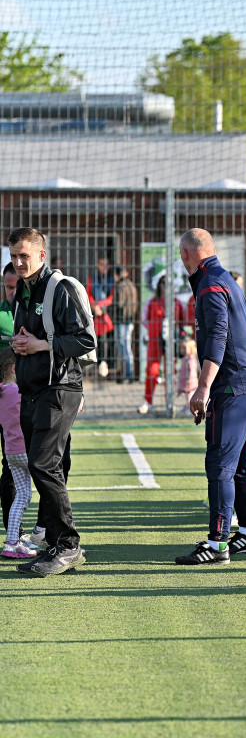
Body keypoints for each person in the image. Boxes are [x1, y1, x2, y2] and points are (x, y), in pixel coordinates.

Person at [174, 228, 246, 565]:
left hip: (232, 387)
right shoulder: (222, 278)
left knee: (220, 466)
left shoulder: (211, 284)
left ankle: (217, 544)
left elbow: (218, 335)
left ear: (186, 254)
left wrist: (203, 387)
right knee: (238, 465)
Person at [9, 226, 95, 576]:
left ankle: (69, 545)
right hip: (31, 391)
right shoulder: (22, 291)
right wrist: (19, 344)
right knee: (43, 466)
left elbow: (85, 340)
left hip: (59, 388)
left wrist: (42, 345)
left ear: (41, 255)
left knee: (43, 465)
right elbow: (31, 339)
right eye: (13, 256)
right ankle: (56, 544)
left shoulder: (61, 287)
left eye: (24, 255)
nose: (19, 262)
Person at [0, 348, 35, 559]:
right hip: (26, 450)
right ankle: (51, 536)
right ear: (14, 369)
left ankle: (12, 541)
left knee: (21, 495)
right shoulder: (18, 391)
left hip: (10, 452)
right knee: (46, 490)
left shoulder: (3, 391)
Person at [138, 276, 186, 415]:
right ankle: (148, 401)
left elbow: (182, 322)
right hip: (155, 340)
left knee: (171, 372)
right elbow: (144, 319)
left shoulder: (178, 303)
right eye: (164, 284)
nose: (167, 287)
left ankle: (170, 402)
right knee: (152, 371)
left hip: (172, 341)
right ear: (160, 286)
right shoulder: (152, 302)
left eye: (170, 284)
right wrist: (153, 330)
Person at [0, 264, 18, 539]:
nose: (13, 292)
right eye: (9, 287)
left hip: (18, 400)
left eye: (17, 287)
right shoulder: (1, 314)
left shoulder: (38, 313)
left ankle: (15, 531)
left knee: (11, 464)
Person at [87, 256, 115, 377]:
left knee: (110, 339)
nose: (104, 267)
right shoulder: (92, 278)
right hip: (95, 313)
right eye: (102, 264)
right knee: (96, 339)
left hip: (108, 312)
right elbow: (88, 294)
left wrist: (101, 305)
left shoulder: (112, 279)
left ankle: (108, 363)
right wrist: (95, 306)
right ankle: (97, 363)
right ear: (98, 265)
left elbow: (112, 296)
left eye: (106, 264)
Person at [110, 266, 138, 384]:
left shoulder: (120, 286)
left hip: (121, 320)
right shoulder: (131, 285)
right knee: (126, 347)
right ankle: (128, 374)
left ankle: (127, 374)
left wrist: (109, 311)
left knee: (123, 347)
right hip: (129, 320)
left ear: (116, 275)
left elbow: (119, 303)